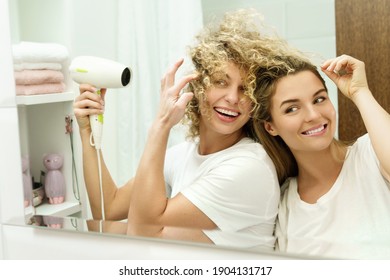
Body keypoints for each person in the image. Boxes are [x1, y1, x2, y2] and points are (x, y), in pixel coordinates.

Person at [73, 9, 281, 250]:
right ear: (198, 85)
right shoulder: (183, 154)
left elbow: (142, 236)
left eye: (245, 89)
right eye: (221, 82)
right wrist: (87, 129)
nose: (233, 98)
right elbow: (108, 208)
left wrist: (161, 124)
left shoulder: (248, 167)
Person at [253, 52, 390, 259]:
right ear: (270, 127)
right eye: (292, 109)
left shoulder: (370, 154)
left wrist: (360, 92)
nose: (314, 115)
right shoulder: (284, 205)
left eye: (319, 99)